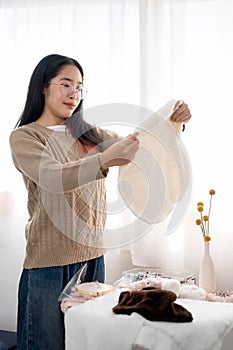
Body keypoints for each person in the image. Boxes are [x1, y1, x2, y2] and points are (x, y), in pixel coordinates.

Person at [9, 53, 192, 350]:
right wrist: (105, 158)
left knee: (86, 343)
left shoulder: (87, 134)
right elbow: (55, 177)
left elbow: (139, 146)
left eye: (79, 87)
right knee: (47, 344)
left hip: (94, 259)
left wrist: (172, 123)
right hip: (50, 264)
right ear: (43, 87)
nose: (74, 94)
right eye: (66, 84)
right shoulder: (25, 137)